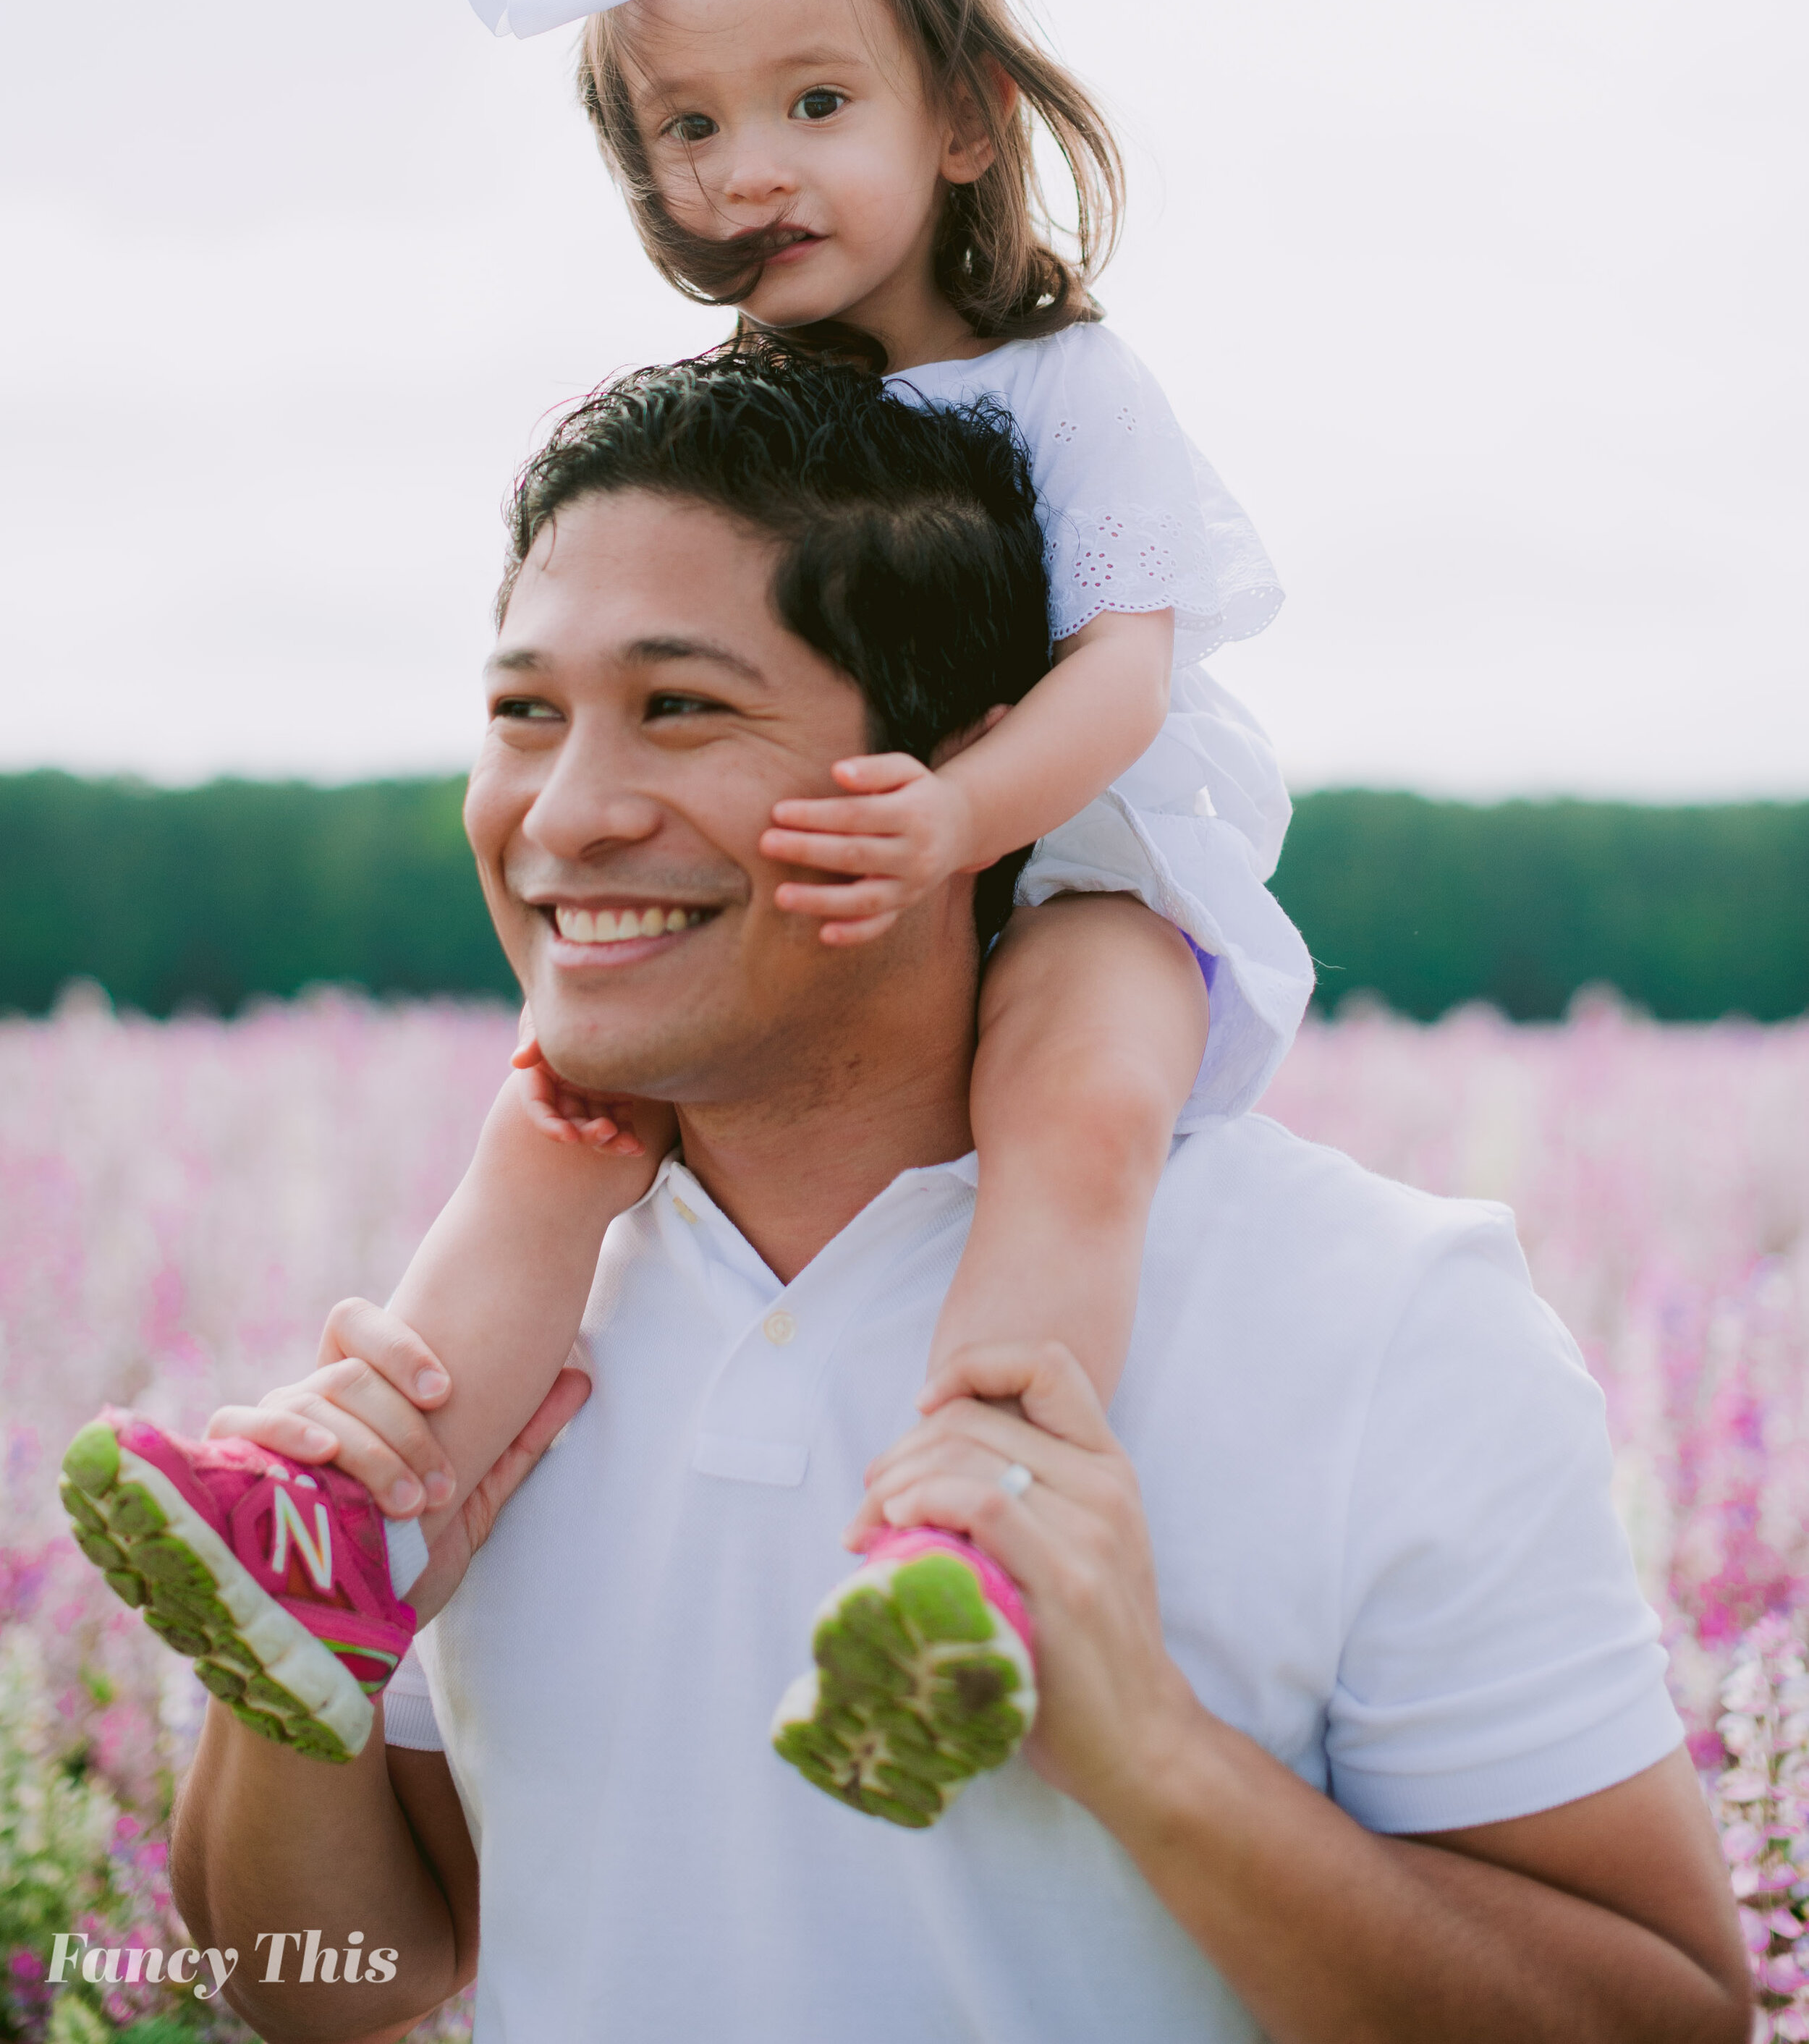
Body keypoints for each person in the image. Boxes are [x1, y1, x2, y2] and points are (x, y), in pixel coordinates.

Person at [162, 349, 1745, 2043]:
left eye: (681, 707)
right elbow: (333, 1979)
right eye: (522, 713)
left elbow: (1662, 2015)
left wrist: (1151, 1760)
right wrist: (298, 1665)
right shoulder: (493, 1315)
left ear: (976, 775)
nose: (567, 813)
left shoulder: (1372, 1314)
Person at [64, 0, 1316, 1814]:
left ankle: (972, 1533)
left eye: (815, 99)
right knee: (556, 1114)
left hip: (1082, 856)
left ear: (968, 118)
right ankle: (347, 1507)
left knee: (1072, 1112)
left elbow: (1127, 677)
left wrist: (956, 811)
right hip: (855, 872)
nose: (751, 169)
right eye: (690, 130)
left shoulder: (1063, 382)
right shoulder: (754, 399)